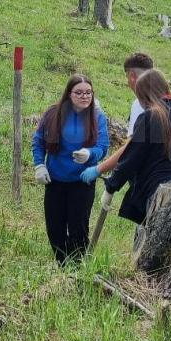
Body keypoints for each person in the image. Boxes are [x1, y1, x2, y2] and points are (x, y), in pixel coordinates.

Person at [101, 70, 171, 225]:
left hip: (162, 189)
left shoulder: (150, 116)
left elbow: (132, 157)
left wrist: (111, 187)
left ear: (143, 96)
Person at [32, 75, 109, 265]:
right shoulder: (53, 114)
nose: (84, 96)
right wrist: (39, 165)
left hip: (82, 182)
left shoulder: (97, 117)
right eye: (79, 92)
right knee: (55, 228)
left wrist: (89, 153)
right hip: (55, 180)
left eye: (88, 92)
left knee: (78, 229)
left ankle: (75, 269)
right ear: (69, 93)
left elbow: (103, 146)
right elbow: (38, 141)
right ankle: (61, 264)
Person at [79, 52, 153, 181]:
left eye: (126, 77)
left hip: (146, 177)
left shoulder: (139, 104)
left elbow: (131, 148)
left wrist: (101, 170)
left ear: (132, 76)